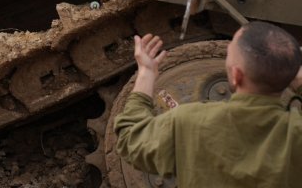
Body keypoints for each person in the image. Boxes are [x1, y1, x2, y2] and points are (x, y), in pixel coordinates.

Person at [114, 22, 302, 187]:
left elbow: (130, 140)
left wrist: (146, 72)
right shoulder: (296, 132)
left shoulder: (190, 121)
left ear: (236, 76)